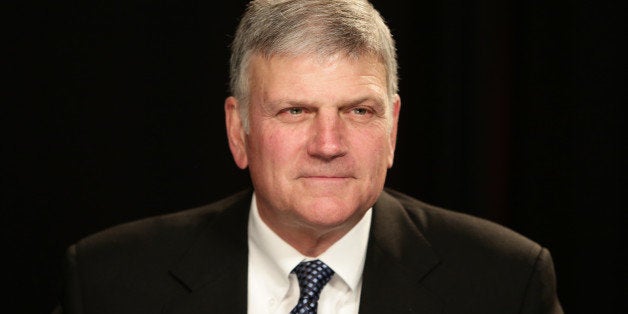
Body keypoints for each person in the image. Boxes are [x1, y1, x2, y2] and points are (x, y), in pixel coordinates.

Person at [53, 0, 563, 313]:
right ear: (239, 130)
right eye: (295, 110)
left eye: (359, 111)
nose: (327, 144)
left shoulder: (505, 282)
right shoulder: (110, 282)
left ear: (393, 129)